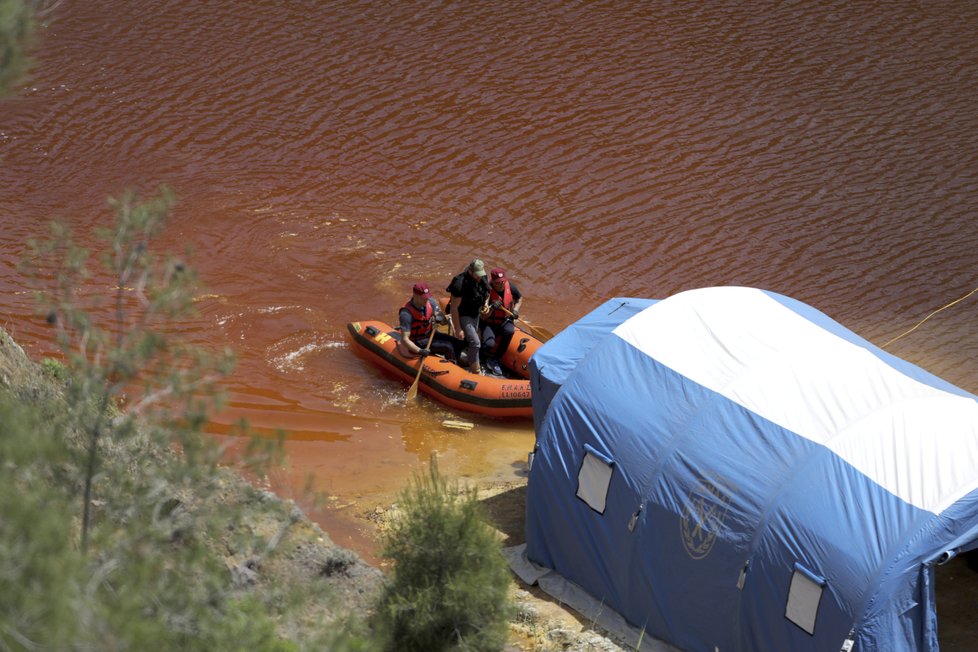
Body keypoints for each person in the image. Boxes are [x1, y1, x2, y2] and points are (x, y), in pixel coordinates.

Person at [446, 258, 491, 375]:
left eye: (481, 274)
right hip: (463, 314)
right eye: (477, 275)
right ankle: (476, 371)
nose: (479, 277)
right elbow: (454, 308)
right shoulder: (459, 283)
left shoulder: (482, 277)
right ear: (470, 271)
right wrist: (458, 328)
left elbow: (487, 293)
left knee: (473, 338)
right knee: (475, 342)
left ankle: (464, 356)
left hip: (475, 312)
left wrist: (485, 304)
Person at [397, 282, 460, 362]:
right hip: (418, 342)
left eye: (427, 297)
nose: (426, 299)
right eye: (423, 297)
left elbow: (443, 321)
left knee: (455, 342)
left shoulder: (430, 302)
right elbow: (404, 340)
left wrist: (440, 318)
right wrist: (420, 351)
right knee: (448, 347)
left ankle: (459, 361)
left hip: (430, 335)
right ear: (415, 296)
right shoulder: (406, 314)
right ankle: (453, 365)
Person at [479, 267, 523, 375]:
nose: (501, 284)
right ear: (492, 281)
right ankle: (479, 357)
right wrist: (492, 307)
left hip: (504, 320)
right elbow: (483, 317)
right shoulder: (486, 292)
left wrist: (516, 310)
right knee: (489, 344)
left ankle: (495, 359)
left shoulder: (510, 287)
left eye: (502, 281)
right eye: (498, 283)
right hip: (488, 322)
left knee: (509, 331)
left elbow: (520, 298)